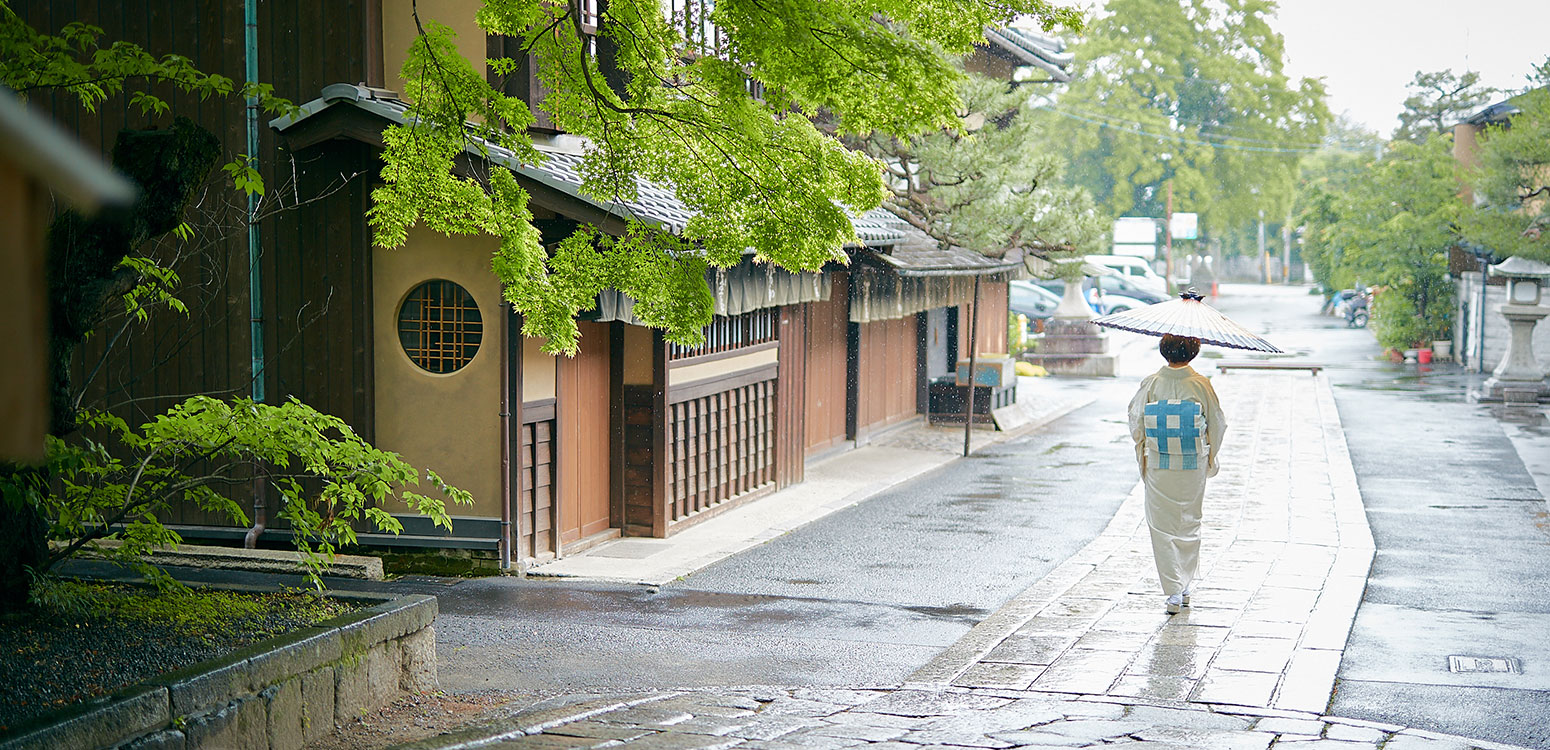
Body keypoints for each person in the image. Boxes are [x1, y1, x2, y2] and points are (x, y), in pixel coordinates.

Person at [1127, 334, 1226, 614]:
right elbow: (1217, 424)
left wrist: (1144, 450)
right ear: (1194, 351)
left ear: (1163, 350)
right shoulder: (1201, 384)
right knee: (1189, 523)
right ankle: (1184, 585)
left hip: (1160, 463)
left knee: (1161, 527)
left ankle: (1173, 592)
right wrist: (1210, 456)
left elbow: (1136, 421)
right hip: (1192, 463)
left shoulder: (1152, 383)